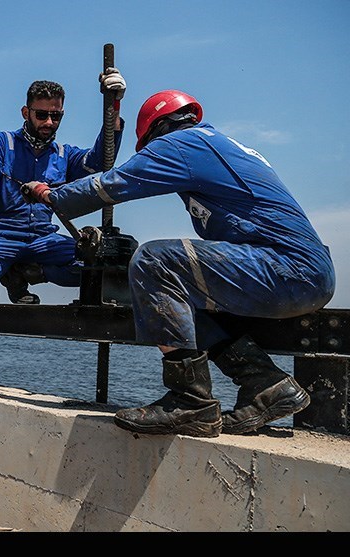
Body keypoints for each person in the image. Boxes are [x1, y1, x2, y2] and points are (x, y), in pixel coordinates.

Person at [24, 89, 335, 437]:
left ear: (158, 129)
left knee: (154, 261)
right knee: (185, 296)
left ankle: (191, 402)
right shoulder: (216, 145)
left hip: (287, 269)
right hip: (297, 272)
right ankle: (266, 384)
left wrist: (53, 195)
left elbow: (117, 182)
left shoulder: (184, 143)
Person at [0, 70, 128, 398]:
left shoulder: (63, 154)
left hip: (42, 238)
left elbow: (100, 162)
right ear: (26, 112)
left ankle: (28, 272)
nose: (48, 122)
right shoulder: (1, 144)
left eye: (55, 115)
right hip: (1, 235)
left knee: (99, 265)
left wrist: (112, 108)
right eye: (41, 114)